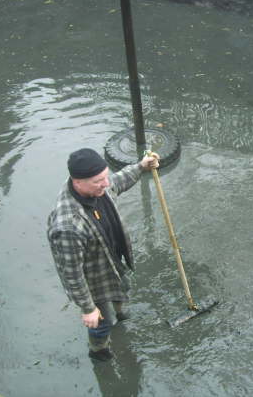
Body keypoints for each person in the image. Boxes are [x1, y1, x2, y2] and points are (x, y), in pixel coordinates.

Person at [47, 148, 159, 362]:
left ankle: (122, 314)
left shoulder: (96, 188)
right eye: (99, 180)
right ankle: (99, 352)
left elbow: (117, 181)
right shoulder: (68, 226)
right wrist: (88, 308)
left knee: (122, 288)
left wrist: (141, 166)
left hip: (112, 261)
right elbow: (72, 275)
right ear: (77, 182)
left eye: (105, 177)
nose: (106, 184)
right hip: (93, 281)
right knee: (101, 322)